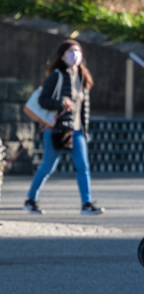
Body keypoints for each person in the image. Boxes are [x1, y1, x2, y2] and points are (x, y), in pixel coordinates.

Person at [24, 40, 102, 216]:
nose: (75, 54)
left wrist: (85, 130)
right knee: (48, 167)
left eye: (78, 50)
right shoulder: (56, 75)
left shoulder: (82, 76)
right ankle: (30, 200)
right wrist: (61, 103)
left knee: (83, 167)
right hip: (57, 129)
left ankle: (87, 204)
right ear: (62, 56)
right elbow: (43, 100)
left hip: (77, 130)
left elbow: (84, 108)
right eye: (71, 51)